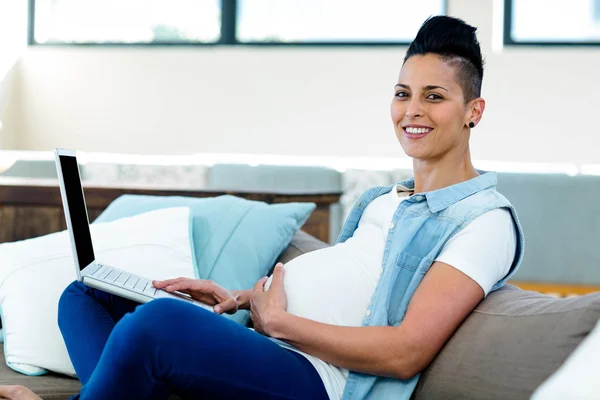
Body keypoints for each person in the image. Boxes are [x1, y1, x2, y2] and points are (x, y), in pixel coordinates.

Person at [0, 15, 523, 400]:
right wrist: (239, 299)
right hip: (268, 339)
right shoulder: (384, 198)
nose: (412, 110)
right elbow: (350, 281)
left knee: (154, 326)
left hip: (319, 378)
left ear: (473, 111)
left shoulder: (482, 220)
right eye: (403, 93)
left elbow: (406, 350)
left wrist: (280, 323)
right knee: (86, 295)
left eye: (434, 96)